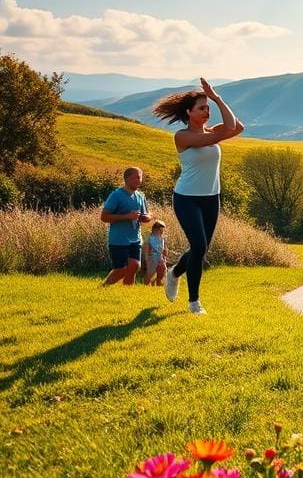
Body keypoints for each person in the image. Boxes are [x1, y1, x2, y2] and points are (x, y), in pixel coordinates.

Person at [151, 78, 243, 315]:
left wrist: (216, 98)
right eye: (202, 108)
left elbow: (237, 126)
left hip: (212, 198)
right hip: (186, 198)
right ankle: (194, 303)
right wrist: (213, 104)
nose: (207, 111)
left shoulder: (212, 131)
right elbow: (219, 135)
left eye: (207, 108)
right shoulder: (182, 137)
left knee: (200, 250)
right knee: (199, 246)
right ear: (189, 113)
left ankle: (174, 273)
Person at [100, 167, 151, 286]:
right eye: (136, 177)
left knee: (135, 266)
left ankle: (127, 292)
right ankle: (103, 288)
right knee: (121, 270)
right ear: (127, 179)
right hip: (118, 240)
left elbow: (147, 214)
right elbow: (104, 217)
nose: (139, 180)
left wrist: (146, 217)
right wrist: (127, 216)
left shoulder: (140, 196)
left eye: (140, 177)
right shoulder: (116, 195)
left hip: (135, 238)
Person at [143, 220, 168, 287]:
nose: (159, 231)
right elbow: (147, 247)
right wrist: (147, 258)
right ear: (154, 229)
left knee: (161, 272)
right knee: (151, 273)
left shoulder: (162, 238)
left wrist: (165, 254)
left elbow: (164, 248)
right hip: (152, 258)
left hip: (161, 258)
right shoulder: (150, 238)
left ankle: (159, 285)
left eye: (161, 230)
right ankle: (146, 285)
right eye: (157, 229)